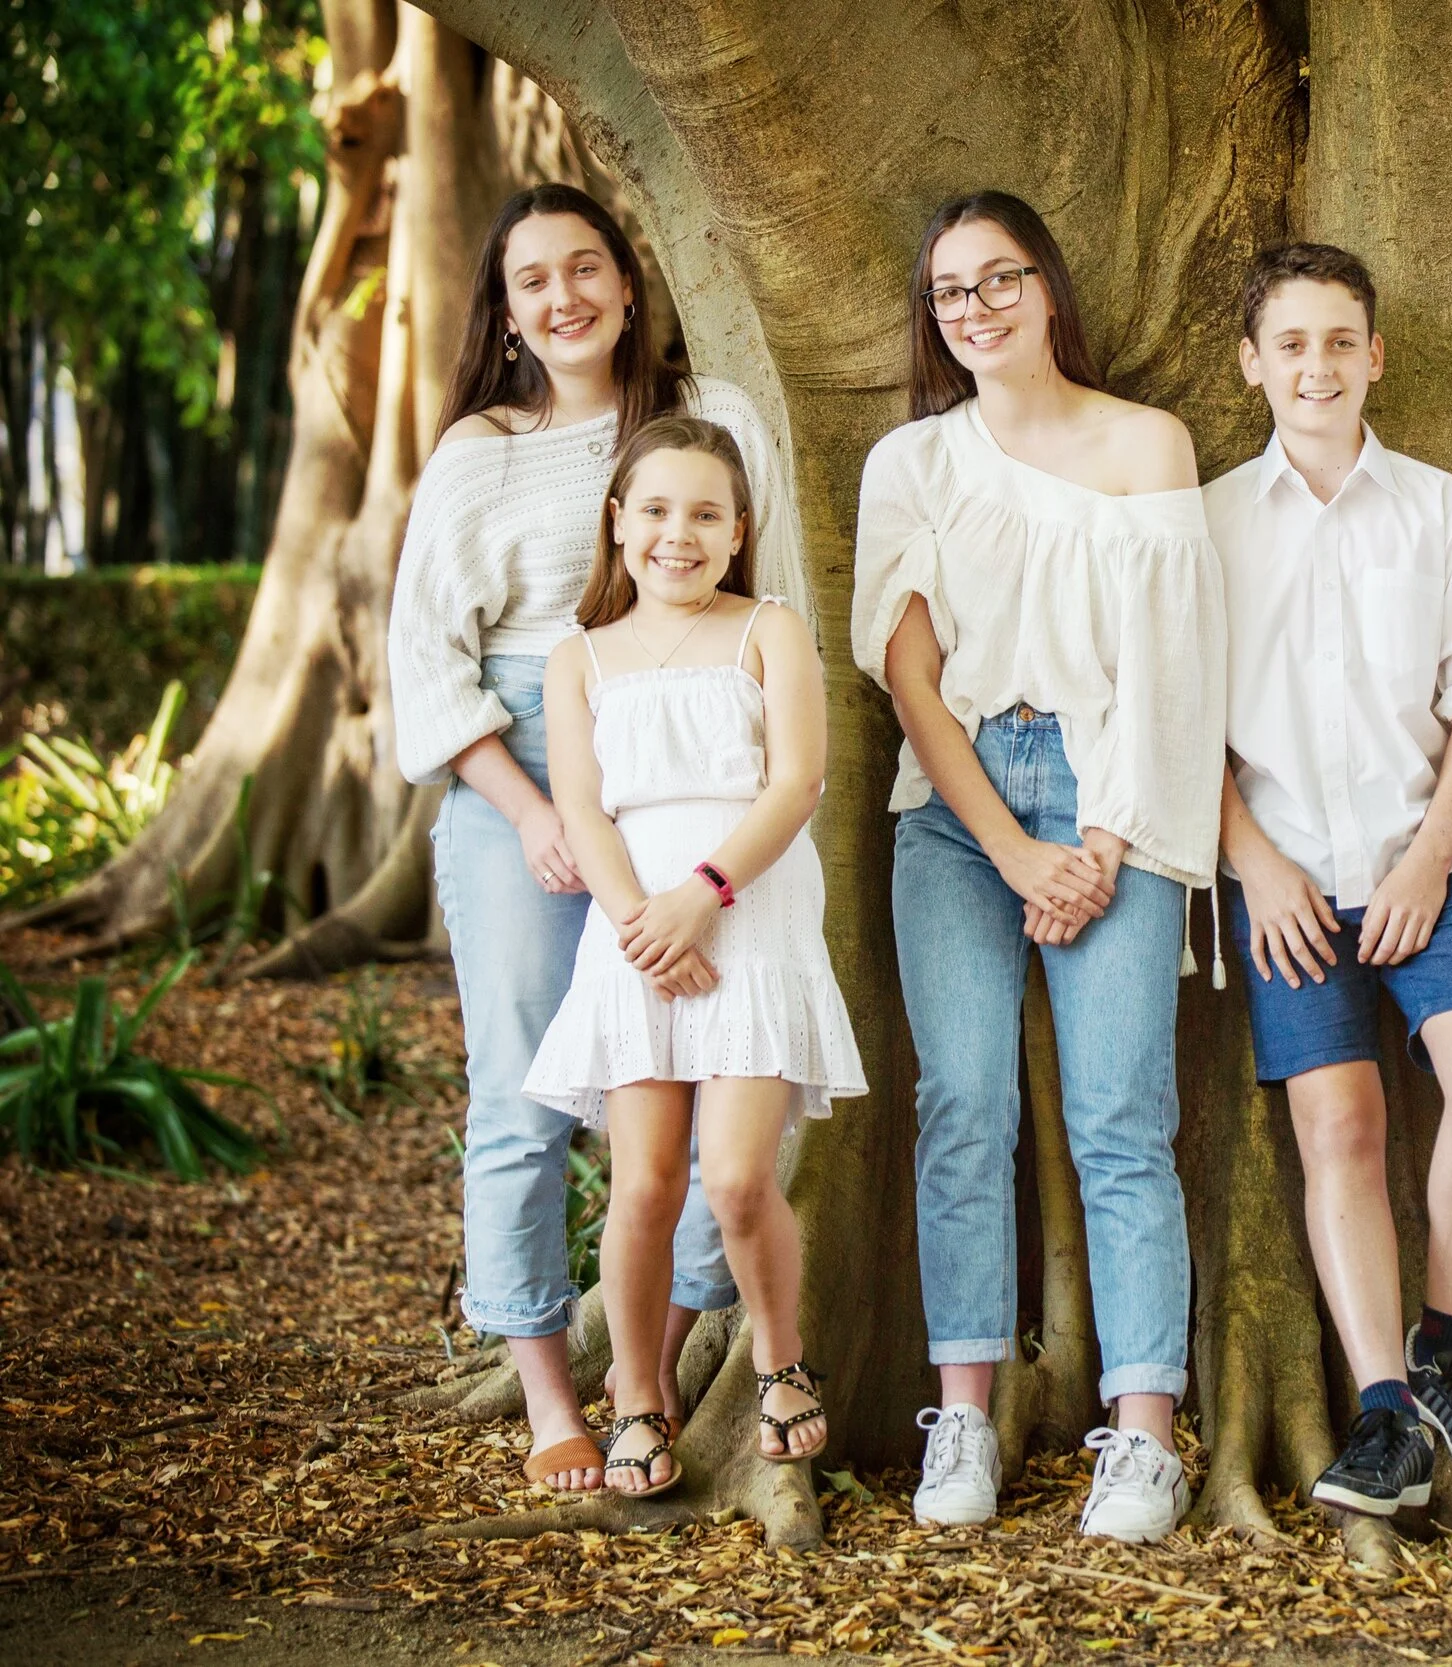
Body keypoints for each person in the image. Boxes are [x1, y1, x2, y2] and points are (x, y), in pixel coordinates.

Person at [389, 183, 813, 1494]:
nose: (564, 296)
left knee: (703, 1083)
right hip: (522, 749)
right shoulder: (480, 451)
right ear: (506, 312)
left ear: (631, 283)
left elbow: (774, 593)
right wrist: (531, 817)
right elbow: (425, 659)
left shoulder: (717, 416)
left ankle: (655, 1366)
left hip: (693, 766)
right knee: (521, 1095)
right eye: (532, 280)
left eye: (587, 268)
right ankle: (545, 1390)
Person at [852, 191, 1225, 1543]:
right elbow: (906, 670)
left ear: (1049, 288)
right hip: (957, 809)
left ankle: (1145, 1432)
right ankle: (964, 1412)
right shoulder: (910, 462)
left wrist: (1102, 839)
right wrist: (1015, 850)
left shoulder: (1147, 443)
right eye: (951, 291)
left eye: (1000, 278)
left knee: (1122, 1116)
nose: (978, 307)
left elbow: (1173, 667)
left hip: (1117, 792)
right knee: (963, 1103)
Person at [1204, 244, 1452, 1519]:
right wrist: (1254, 860)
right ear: (1252, 364)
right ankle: (1384, 1410)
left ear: (1376, 354)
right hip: (1285, 874)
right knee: (1337, 1127)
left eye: (1340, 340)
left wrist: (1430, 851)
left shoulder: (1440, 509)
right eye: (1290, 343)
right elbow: (1184, 725)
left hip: (1427, 862)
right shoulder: (1209, 522)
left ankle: (1447, 1342)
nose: (1317, 365)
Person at [519, 415, 866, 1495]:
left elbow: (796, 783)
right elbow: (579, 800)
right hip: (634, 934)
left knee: (736, 1172)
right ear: (619, 523)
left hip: (745, 915)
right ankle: (635, 1398)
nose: (680, 532)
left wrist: (702, 897)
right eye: (657, 509)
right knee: (646, 1182)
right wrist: (641, 921)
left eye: (706, 513)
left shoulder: (769, 628)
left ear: (737, 530)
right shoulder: (575, 655)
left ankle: (777, 1354)